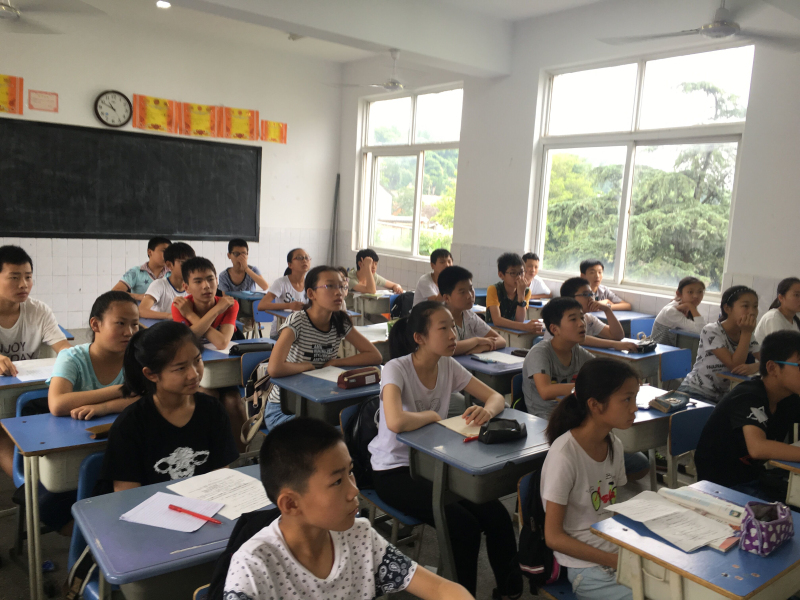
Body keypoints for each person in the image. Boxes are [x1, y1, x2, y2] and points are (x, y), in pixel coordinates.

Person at [369, 301, 523, 598]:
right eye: (444, 328)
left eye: (453, 326)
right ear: (420, 337)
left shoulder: (448, 365)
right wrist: (432, 416)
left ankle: (509, 592)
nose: (454, 334)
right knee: (463, 527)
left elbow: (494, 397)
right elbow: (396, 421)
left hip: (434, 465)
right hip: (394, 470)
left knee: (497, 516)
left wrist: (487, 412)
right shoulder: (396, 368)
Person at [223, 418, 473, 600]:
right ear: (291, 504)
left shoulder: (360, 537)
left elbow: (441, 589)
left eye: (350, 472)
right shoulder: (253, 569)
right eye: (336, 482)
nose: (354, 490)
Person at [97, 321, 239, 493]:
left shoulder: (213, 410)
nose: (194, 374)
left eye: (197, 360)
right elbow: (127, 496)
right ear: (151, 374)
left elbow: (221, 479)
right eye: (180, 368)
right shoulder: (129, 425)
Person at [541, 358, 640, 600]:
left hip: (615, 550)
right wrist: (614, 560)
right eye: (627, 399)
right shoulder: (565, 455)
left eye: (635, 398)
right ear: (595, 405)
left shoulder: (614, 444)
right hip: (586, 568)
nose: (634, 408)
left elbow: (610, 510)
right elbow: (553, 537)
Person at [524, 298, 650, 480]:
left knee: (640, 463)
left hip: (576, 417)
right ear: (554, 329)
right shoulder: (540, 352)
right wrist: (584, 386)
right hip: (545, 421)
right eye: (573, 319)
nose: (581, 324)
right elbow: (545, 391)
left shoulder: (578, 352)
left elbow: (602, 373)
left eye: (582, 318)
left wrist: (625, 380)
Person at [265, 266, 382, 429]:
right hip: (285, 408)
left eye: (341, 286)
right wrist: (307, 367)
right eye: (330, 286)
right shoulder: (298, 321)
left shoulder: (340, 321)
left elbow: (374, 355)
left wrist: (336, 362)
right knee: (335, 433)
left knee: (356, 427)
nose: (338, 292)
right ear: (311, 294)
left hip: (320, 402)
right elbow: (274, 368)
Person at [694, 331, 800, 502]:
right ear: (772, 368)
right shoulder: (748, 396)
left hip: (753, 478)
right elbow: (758, 448)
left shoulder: (789, 397)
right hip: (721, 488)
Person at [0, 245, 71, 478]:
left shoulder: (38, 311)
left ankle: (52, 478)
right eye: (14, 277)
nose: (24, 284)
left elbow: (65, 351)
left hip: (26, 392)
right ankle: (26, 484)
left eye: (28, 277)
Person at [48, 291, 140, 420]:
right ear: (95, 324)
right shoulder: (72, 357)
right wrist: (121, 390)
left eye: (134, 324)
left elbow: (150, 398)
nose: (129, 332)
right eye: (120, 323)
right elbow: (57, 404)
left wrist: (104, 408)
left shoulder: (138, 357)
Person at [678, 285, 761, 403]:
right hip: (695, 391)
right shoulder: (712, 330)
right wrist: (746, 333)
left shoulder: (746, 334)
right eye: (745, 306)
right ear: (727, 309)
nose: (752, 312)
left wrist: (756, 366)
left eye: (755, 306)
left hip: (720, 397)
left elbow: (769, 361)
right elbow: (734, 365)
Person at [171, 257, 239, 351]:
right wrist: (217, 310)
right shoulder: (180, 305)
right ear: (186, 287)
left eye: (210, 279)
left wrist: (190, 315)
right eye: (198, 281)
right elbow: (185, 342)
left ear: (216, 281)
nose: (206, 286)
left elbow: (222, 343)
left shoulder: (229, 304)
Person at [553, 278, 636, 352]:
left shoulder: (588, 319)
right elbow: (577, 338)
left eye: (591, 294)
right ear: (570, 298)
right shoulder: (561, 318)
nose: (591, 298)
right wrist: (614, 344)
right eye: (585, 294)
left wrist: (607, 310)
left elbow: (618, 336)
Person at [438, 265, 506, 355]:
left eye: (471, 289)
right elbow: (444, 348)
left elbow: (501, 340)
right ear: (447, 298)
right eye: (462, 292)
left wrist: (484, 347)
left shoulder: (469, 315)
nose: (469, 295)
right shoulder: (438, 318)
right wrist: (476, 341)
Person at [257, 248, 310, 338]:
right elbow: (261, 305)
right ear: (290, 265)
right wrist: (289, 306)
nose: (304, 260)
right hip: (280, 332)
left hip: (302, 332)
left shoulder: (310, 284)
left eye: (307, 258)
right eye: (299, 258)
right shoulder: (281, 283)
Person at [485, 252, 543, 335]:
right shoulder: (494, 289)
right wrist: (524, 327)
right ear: (501, 275)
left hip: (512, 333)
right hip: (493, 333)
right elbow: (497, 320)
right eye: (513, 273)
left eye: (521, 272)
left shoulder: (526, 291)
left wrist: (521, 295)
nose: (518, 277)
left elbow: (519, 320)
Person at [139, 242, 195, 321]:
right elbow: (141, 311)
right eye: (183, 263)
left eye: (191, 264)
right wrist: (171, 315)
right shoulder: (159, 285)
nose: (188, 268)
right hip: (162, 327)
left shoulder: (194, 287)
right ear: (169, 265)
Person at [650, 276, 706, 346]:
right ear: (679, 294)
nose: (696, 296)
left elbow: (704, 329)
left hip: (671, 349)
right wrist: (691, 306)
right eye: (690, 292)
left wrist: (690, 307)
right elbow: (702, 331)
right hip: (658, 351)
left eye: (700, 292)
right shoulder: (671, 311)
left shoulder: (685, 307)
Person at [111, 236, 171, 301]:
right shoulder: (136, 272)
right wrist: (139, 296)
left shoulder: (173, 273)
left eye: (169, 252)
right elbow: (114, 293)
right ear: (150, 252)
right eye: (164, 251)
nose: (168, 255)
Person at [754, 277, 800, 344]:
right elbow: (780, 348)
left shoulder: (795, 321)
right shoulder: (773, 317)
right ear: (781, 298)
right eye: (796, 295)